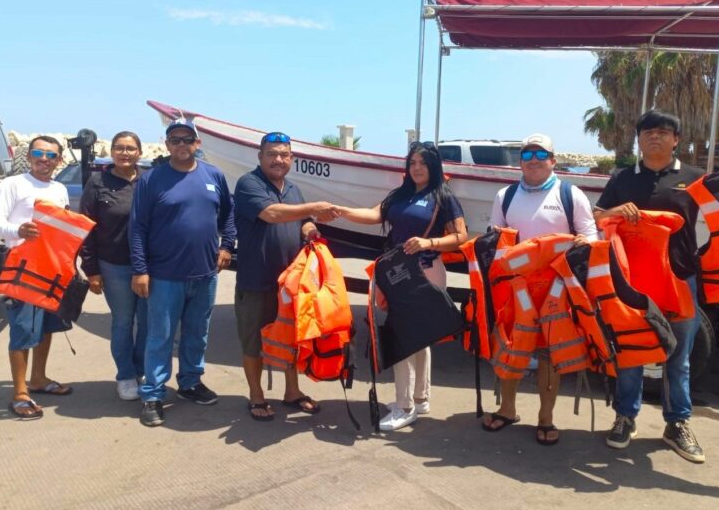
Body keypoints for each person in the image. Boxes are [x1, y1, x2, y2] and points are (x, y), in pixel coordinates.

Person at [594, 109, 719, 463]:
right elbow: (597, 218)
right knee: (630, 349)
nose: (655, 137)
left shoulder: (695, 179)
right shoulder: (621, 179)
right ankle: (625, 416)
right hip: (631, 281)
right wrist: (616, 211)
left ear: (676, 140)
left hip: (680, 277)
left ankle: (677, 423)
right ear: (639, 139)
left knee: (679, 357)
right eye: (647, 132)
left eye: (663, 132)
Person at [336, 141, 467, 431]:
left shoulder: (443, 197)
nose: (417, 168)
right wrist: (341, 211)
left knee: (406, 337)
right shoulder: (402, 195)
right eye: (412, 163)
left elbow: (460, 236)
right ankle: (419, 398)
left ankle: (405, 406)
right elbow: (374, 215)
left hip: (427, 271)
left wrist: (428, 242)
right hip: (399, 272)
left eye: (422, 163)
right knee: (417, 337)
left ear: (433, 166)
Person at [482, 134, 598, 445]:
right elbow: (496, 239)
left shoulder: (570, 194)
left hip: (556, 288)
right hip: (515, 286)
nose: (533, 158)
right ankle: (507, 409)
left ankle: (545, 418)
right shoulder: (504, 196)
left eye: (541, 153)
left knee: (550, 354)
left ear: (553, 160)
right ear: (519, 161)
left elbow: (590, 236)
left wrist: (578, 245)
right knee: (510, 347)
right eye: (527, 153)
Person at [129, 118, 236, 427]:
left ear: (197, 143)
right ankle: (153, 394)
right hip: (164, 275)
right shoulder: (152, 179)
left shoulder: (213, 175)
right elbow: (137, 227)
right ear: (167, 145)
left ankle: (190, 382)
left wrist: (226, 246)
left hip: (204, 274)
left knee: (197, 334)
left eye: (187, 139)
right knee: (159, 337)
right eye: (174, 140)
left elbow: (228, 215)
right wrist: (140, 270)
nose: (181, 145)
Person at [232, 131, 338, 421]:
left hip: (290, 284)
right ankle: (256, 396)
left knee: (291, 339)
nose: (278, 160)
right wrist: (315, 208)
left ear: (291, 158)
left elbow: (301, 221)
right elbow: (273, 214)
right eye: (272, 154)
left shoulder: (293, 189)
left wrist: (311, 229)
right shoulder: (248, 184)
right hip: (256, 281)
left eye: (284, 155)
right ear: (260, 156)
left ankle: (292, 391)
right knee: (254, 342)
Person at [0, 136, 73, 419]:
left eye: (51, 155)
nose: (44, 159)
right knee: (23, 330)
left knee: (47, 327)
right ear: (30, 155)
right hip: (20, 270)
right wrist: (18, 230)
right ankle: (20, 393)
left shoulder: (60, 189)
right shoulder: (12, 184)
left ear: (59, 160)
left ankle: (38, 378)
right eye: (38, 153)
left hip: (52, 269)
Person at [79, 131, 148, 401]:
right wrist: (92, 270)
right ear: (111, 151)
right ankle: (126, 376)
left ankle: (141, 372)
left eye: (131, 148)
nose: (125, 153)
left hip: (148, 267)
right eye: (119, 148)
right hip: (114, 266)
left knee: (148, 323)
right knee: (122, 322)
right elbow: (86, 228)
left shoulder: (149, 181)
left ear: (140, 152)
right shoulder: (98, 182)